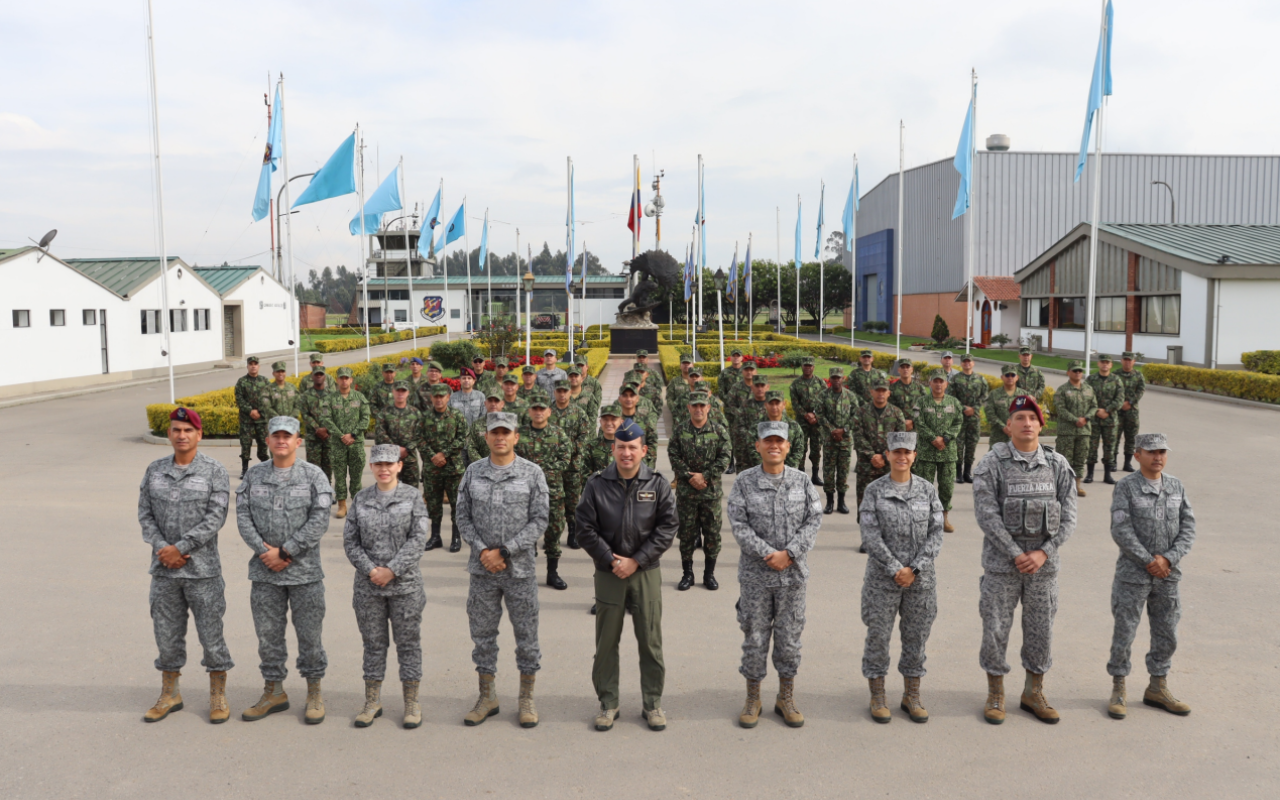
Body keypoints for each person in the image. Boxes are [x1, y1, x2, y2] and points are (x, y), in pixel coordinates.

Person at [972, 396, 1077, 725]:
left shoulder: (1057, 464)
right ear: (1008, 426)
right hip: (1002, 566)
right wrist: (1017, 553)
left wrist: (1043, 551)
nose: (1027, 423)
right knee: (995, 629)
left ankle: (1034, 692)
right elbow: (986, 515)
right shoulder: (992, 463)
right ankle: (996, 693)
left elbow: (1070, 517)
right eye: (1020, 417)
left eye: (1033, 417)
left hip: (1043, 568)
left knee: (1041, 631)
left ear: (1041, 425)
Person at [576, 420, 678, 732]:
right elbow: (584, 529)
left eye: (633, 447)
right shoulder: (596, 484)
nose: (627, 453)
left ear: (644, 450)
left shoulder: (657, 484)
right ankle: (608, 703)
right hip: (609, 573)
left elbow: (667, 528)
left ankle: (653, 703)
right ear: (613, 449)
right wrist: (610, 560)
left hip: (645, 573)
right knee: (606, 642)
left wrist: (636, 560)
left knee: (650, 641)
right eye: (621, 447)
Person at [138, 407, 234, 723]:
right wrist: (163, 549)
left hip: (202, 571)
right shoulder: (154, 470)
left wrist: (180, 547)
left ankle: (217, 695)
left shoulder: (214, 471)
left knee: (211, 634)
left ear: (199, 434)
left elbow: (215, 517)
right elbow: (145, 515)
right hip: (164, 570)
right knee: (166, 634)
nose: (182, 435)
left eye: (188, 430)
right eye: (177, 430)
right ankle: (170, 693)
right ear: (169, 434)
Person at [455, 412, 551, 728]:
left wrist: (505, 551)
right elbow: (462, 517)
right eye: (494, 432)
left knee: (527, 635)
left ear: (516, 437)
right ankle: (487, 696)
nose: (500, 437)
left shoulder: (532, 473)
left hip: (519, 570)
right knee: (482, 634)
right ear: (486, 437)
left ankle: (526, 699)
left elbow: (540, 519)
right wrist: (484, 551)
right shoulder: (473, 472)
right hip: (483, 570)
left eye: (505, 432)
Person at [236, 416, 334, 724]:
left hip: (305, 573)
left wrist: (286, 551)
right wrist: (265, 552)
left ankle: (314, 691)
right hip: (265, 573)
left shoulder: (314, 476)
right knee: (268, 636)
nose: (281, 440)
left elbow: (320, 519)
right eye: (275, 435)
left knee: (310, 636)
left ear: (297, 442)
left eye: (287, 436)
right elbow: (242, 516)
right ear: (267, 440)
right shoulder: (254, 476)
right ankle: (274, 691)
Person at [727, 421, 824, 729]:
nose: (774, 445)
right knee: (754, 638)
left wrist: (790, 553)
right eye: (767, 441)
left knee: (790, 638)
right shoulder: (744, 481)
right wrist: (769, 554)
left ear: (787, 447)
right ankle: (753, 698)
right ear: (757, 446)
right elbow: (738, 524)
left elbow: (813, 520)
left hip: (793, 577)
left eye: (779, 441)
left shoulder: (802, 481)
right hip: (756, 577)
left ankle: (786, 697)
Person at [1106, 433, 1196, 720]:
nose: (1158, 457)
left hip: (1168, 574)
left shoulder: (1176, 486)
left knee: (1167, 632)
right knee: (1125, 631)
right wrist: (1149, 561)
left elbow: (1188, 528)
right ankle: (1119, 687)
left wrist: (1168, 558)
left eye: (1162, 452)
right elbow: (1121, 530)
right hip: (1133, 574)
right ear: (1137, 455)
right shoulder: (1126, 487)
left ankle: (1157, 686)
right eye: (1151, 451)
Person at [858, 431, 944, 724]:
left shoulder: (927, 490)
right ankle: (878, 694)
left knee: (916, 637)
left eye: (907, 452)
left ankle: (912, 695)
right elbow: (869, 534)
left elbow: (936, 531)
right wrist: (896, 567)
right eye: (897, 452)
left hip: (920, 581)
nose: (902, 457)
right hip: (883, 580)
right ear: (889, 455)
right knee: (878, 636)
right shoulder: (874, 490)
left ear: (914, 456)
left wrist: (914, 568)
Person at [343, 444, 430, 729]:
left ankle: (412, 702)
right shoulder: (361, 498)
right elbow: (351, 541)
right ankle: (372, 701)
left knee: (408, 645)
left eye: (389, 464)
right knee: (373, 644)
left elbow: (418, 539)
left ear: (399, 466)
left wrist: (391, 570)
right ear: (370, 467)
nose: (384, 469)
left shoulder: (412, 497)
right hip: (369, 588)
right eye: (378, 464)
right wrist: (371, 571)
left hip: (405, 587)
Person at [667, 392, 732, 592]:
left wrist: (705, 476)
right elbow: (673, 454)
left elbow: (725, 457)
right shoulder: (680, 430)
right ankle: (688, 574)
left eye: (702, 405)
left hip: (710, 492)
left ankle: (708, 574)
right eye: (694, 405)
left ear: (709, 407)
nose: (698, 409)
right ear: (689, 407)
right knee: (687, 534)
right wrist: (689, 476)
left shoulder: (719, 430)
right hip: (687, 493)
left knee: (711, 534)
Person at [516, 391, 573, 589]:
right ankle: (528, 573)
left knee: (553, 534)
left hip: (553, 493)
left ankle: (552, 573)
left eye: (542, 409)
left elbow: (565, 459)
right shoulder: (519, 434)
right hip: (525, 494)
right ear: (530, 411)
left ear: (549, 412)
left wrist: (540, 473)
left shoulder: (559, 434)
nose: (539, 412)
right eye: (535, 409)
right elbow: (511, 460)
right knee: (527, 535)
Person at [853, 374, 907, 553]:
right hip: (866, 465)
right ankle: (867, 540)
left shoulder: (896, 413)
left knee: (889, 504)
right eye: (877, 391)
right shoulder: (861, 412)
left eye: (883, 391)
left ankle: (886, 540)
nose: (880, 394)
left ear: (888, 393)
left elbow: (900, 440)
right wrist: (871, 456)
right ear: (871, 392)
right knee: (865, 503)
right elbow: (858, 436)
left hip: (889, 467)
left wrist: (883, 458)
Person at [911, 372, 963, 533]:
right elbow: (918, 422)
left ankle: (944, 517)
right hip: (927, 451)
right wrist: (934, 438)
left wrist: (945, 439)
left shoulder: (954, 403)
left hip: (947, 452)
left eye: (941, 382)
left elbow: (958, 422)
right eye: (935, 381)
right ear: (930, 383)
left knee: (946, 487)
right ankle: (923, 519)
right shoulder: (921, 402)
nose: (938, 384)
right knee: (924, 487)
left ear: (946, 384)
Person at [421, 382, 469, 553]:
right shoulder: (425, 417)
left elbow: (462, 438)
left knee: (457, 504)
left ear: (448, 397)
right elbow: (420, 439)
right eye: (436, 396)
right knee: (433, 504)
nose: (439, 399)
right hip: (432, 468)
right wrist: (434, 456)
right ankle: (435, 537)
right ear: (432, 398)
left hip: (453, 468)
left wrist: (444, 454)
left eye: (442, 396)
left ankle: (456, 537)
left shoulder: (457, 416)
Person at [322, 366, 370, 519]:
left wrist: (353, 434)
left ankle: (356, 504)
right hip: (338, 443)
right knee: (340, 475)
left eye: (346, 378)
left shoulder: (360, 397)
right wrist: (342, 435)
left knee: (356, 475)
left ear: (351, 380)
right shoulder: (330, 399)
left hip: (356, 443)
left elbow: (366, 418)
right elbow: (326, 419)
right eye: (341, 378)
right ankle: (342, 504)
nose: (344, 380)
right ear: (337, 380)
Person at [551, 380, 593, 550]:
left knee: (573, 501)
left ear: (570, 392)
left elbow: (584, 436)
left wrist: (568, 449)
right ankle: (552, 534)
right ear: (555, 392)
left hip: (573, 465)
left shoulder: (579, 413)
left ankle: (573, 532)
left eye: (565, 391)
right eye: (559, 391)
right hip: (552, 464)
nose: (562, 394)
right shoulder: (547, 412)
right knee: (553, 501)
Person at [817, 367, 861, 515]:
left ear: (843, 379)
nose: (836, 380)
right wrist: (832, 431)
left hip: (845, 441)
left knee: (843, 473)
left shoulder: (850, 396)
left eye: (839, 378)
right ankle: (829, 503)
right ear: (830, 379)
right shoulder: (823, 396)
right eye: (834, 378)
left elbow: (856, 416)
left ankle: (841, 502)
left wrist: (843, 430)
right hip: (829, 440)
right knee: (829, 472)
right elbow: (820, 415)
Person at [1054, 361, 1098, 498]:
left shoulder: (1088, 389)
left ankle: (1077, 486)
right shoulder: (1062, 390)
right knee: (1064, 460)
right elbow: (1060, 409)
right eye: (1074, 371)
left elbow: (1094, 406)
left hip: (1084, 431)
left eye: (1080, 370)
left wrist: (1086, 418)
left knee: (1080, 459)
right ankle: (1062, 486)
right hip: (1066, 431)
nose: (1078, 373)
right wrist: (1075, 419)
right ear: (1068, 372)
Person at [947, 353, 988, 484]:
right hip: (959, 417)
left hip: (974, 418)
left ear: (973, 363)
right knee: (958, 446)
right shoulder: (955, 379)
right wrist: (963, 408)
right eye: (964, 362)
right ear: (961, 364)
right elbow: (950, 397)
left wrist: (974, 409)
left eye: (969, 361)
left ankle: (967, 473)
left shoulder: (980, 379)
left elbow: (984, 396)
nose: (967, 363)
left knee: (971, 446)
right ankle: (958, 474)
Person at [374, 381, 424, 488]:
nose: (400, 393)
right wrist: (396, 449)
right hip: (389, 460)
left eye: (403, 391)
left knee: (411, 491)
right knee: (389, 490)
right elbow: (380, 433)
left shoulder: (415, 413)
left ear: (408, 393)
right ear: (393, 392)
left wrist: (408, 448)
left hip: (410, 458)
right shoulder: (384, 412)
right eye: (398, 391)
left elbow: (420, 434)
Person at [1085, 355, 1126, 485]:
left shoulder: (1116, 380)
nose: (1105, 365)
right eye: (1103, 362)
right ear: (1098, 364)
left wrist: (1107, 410)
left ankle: (1107, 475)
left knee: (1110, 448)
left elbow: (1119, 399)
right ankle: (1090, 474)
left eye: (1107, 362)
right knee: (1091, 447)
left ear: (1111, 365)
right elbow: (1086, 397)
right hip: (1094, 420)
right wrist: (1096, 410)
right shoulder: (1091, 379)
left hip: (1110, 420)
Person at [789, 356, 826, 485]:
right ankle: (801, 475)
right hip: (802, 421)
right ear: (802, 367)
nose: (808, 368)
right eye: (805, 365)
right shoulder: (795, 384)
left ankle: (815, 475)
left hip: (817, 422)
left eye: (810, 366)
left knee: (816, 449)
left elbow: (825, 401)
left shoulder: (821, 383)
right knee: (801, 448)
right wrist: (806, 415)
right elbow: (795, 404)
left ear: (813, 367)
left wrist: (816, 416)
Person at [235, 355, 270, 477]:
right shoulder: (241, 382)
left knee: (263, 444)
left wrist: (259, 411)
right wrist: (250, 411)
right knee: (245, 444)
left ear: (258, 366)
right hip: (246, 420)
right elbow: (239, 399)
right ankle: (245, 470)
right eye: (251, 364)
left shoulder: (264, 381)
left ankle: (266, 469)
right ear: (247, 366)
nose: (253, 366)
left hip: (262, 420)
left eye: (255, 364)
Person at [298, 367, 334, 486]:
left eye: (321, 374)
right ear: (312, 377)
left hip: (329, 436)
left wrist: (327, 429)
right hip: (312, 437)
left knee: (328, 465)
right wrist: (317, 428)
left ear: (324, 376)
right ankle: (315, 490)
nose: (318, 376)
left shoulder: (333, 395)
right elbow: (305, 414)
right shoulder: (305, 396)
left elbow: (337, 414)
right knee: (313, 466)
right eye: (316, 374)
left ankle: (326, 488)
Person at [617, 383, 659, 469]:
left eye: (632, 395)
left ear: (637, 399)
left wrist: (648, 466)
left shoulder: (646, 419)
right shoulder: (614, 421)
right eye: (625, 395)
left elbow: (652, 443)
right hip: (618, 466)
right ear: (619, 399)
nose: (628, 399)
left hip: (641, 466)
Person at [1116, 352, 1146, 472]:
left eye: (1130, 360)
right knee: (1114, 438)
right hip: (1117, 412)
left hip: (1132, 412)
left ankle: (1127, 463)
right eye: (1125, 359)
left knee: (1131, 439)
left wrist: (1130, 403)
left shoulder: (1138, 375)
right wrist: (1120, 403)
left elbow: (1141, 390)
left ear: (1134, 361)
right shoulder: (1115, 375)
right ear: (1122, 360)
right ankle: (1112, 462)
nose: (1128, 362)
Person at [734, 377, 770, 471]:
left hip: (769, 449)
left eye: (762, 386)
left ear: (768, 387)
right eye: (757, 386)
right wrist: (751, 439)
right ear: (752, 388)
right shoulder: (745, 406)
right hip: (747, 451)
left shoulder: (773, 406)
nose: (760, 389)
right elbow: (739, 426)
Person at [764, 390, 805, 470]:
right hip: (764, 471)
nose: (774, 407)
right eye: (771, 404)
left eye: (777, 403)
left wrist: (788, 468)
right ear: (765, 405)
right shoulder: (757, 427)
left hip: (789, 471)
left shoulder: (794, 426)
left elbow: (798, 450)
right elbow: (754, 451)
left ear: (783, 405)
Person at [983, 366, 1021, 448]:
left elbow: (1031, 415)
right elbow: (990, 414)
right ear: (1002, 377)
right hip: (998, 437)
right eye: (1007, 375)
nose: (1010, 377)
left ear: (1017, 377)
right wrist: (1003, 427)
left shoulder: (1024, 395)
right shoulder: (993, 394)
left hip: (1019, 437)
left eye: (1012, 375)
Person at [582, 404, 622, 476]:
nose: (609, 423)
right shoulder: (590, 446)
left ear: (621, 422)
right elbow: (585, 475)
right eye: (605, 419)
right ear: (600, 421)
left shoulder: (628, 445)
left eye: (613, 419)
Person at [889, 359, 928, 432]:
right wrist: (902, 422)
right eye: (902, 367)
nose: (905, 369)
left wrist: (912, 421)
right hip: (897, 428)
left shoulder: (920, 388)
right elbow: (889, 408)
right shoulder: (892, 388)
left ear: (912, 369)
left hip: (916, 428)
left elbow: (925, 407)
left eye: (907, 367)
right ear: (898, 370)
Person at [467, 392, 505, 462]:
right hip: (482, 468)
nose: (493, 404)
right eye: (490, 401)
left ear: (502, 404)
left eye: (496, 401)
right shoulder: (476, 425)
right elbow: (471, 448)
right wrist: (483, 464)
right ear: (485, 403)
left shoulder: (509, 424)